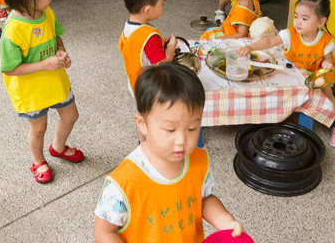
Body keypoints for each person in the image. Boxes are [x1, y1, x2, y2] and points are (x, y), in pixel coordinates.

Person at [94, 62, 244, 242]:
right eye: (170, 130)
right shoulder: (124, 182)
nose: (181, 140)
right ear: (142, 124)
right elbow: (104, 231)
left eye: (192, 128)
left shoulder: (199, 161)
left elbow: (204, 200)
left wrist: (226, 222)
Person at [0, 0, 83, 184]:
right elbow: (10, 69)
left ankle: (58, 147)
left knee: (71, 115)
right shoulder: (13, 30)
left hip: (56, 81)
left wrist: (62, 52)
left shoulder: (46, 12)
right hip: (31, 90)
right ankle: (38, 160)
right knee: (39, 128)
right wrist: (44, 64)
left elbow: (56, 36)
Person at [236, 0, 335, 148]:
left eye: (304, 18)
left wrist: (328, 64)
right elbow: (269, 41)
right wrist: (250, 47)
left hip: (316, 73)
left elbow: (327, 58)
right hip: (294, 69)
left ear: (321, 21)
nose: (298, 22)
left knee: (328, 95)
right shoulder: (290, 34)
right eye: (296, 16)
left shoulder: (325, 40)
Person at [119, 0, 177, 141]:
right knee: (152, 116)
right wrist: (171, 48)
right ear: (147, 9)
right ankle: (153, 143)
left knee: (141, 115)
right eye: (162, 4)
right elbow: (163, 64)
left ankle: (142, 142)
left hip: (134, 82)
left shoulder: (128, 26)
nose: (163, 7)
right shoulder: (149, 36)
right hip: (150, 87)